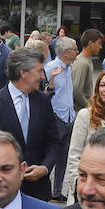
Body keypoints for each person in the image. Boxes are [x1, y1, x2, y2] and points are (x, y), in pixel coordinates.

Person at [0, 47, 64, 200]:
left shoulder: (43, 101)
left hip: (37, 191)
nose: (43, 76)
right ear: (23, 72)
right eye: (39, 71)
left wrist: (45, 168)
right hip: (2, 192)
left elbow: (53, 141)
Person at [63, 67, 105, 199]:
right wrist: (79, 183)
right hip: (85, 190)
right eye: (102, 85)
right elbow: (74, 154)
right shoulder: (85, 115)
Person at [45, 37, 80, 197]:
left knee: (64, 157)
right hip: (56, 118)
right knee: (51, 156)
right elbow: (43, 93)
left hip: (69, 118)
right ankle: (44, 187)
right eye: (74, 49)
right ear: (66, 52)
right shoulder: (50, 68)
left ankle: (57, 191)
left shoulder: (68, 68)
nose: (77, 51)